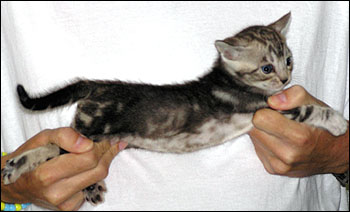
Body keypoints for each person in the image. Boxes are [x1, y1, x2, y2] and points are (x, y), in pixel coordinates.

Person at [1, 2, 349, 211]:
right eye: (271, 69)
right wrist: (9, 191)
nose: (285, 77)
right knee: (71, 148)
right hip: (135, 115)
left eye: (287, 61)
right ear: (229, 57)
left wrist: (341, 153)